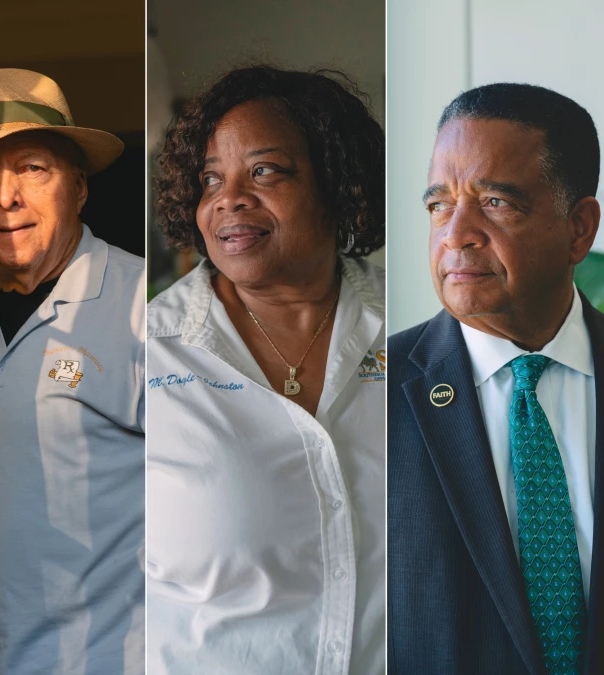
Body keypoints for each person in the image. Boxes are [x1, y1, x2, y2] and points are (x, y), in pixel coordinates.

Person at [146, 66, 387, 674]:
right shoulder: (142, 352)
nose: (229, 198)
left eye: (265, 170)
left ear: (337, 182)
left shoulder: (421, 330)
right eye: (210, 179)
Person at [0, 68, 145, 674]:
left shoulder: (146, 305)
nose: (6, 197)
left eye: (33, 168)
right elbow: (24, 514)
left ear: (80, 188)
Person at [387, 83, 604, 674]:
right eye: (439, 204)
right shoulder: (373, 392)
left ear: (580, 228)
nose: (455, 234)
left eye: (494, 202)